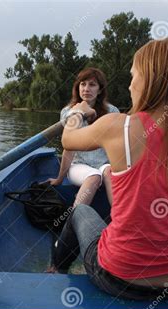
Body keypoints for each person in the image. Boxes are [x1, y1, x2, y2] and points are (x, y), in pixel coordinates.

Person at [55, 38, 168, 300]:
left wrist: (77, 112)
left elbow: (67, 140)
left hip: (118, 278)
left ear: (150, 80)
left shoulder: (117, 126)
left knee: (80, 211)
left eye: (134, 76)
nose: (130, 85)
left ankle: (55, 270)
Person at [45, 68, 119, 207]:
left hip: (104, 164)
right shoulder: (69, 112)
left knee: (109, 173)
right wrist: (60, 179)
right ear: (77, 87)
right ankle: (72, 222)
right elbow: (69, 147)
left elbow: (115, 146)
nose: (86, 89)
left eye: (92, 85)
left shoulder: (112, 111)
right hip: (78, 165)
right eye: (82, 84)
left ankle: (120, 223)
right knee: (94, 177)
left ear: (100, 90)